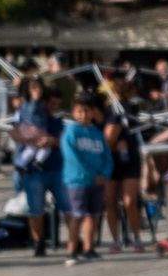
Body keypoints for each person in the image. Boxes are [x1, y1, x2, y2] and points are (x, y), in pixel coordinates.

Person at [13, 79, 68, 259]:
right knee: (35, 209)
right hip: (34, 171)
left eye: (56, 102)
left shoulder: (58, 120)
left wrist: (52, 141)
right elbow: (14, 131)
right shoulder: (27, 111)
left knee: (66, 206)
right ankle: (38, 243)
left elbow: (64, 141)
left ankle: (74, 239)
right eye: (50, 101)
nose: (53, 105)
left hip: (56, 168)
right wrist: (24, 136)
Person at [59, 91, 112, 265]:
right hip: (77, 181)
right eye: (79, 111)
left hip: (97, 181)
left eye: (87, 110)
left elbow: (107, 156)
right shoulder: (70, 132)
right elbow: (72, 157)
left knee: (94, 215)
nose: (83, 114)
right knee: (78, 215)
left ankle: (90, 248)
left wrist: (104, 173)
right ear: (74, 113)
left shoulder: (97, 133)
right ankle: (72, 250)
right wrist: (90, 174)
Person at [101, 70, 146, 252]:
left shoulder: (129, 107)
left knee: (129, 201)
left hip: (129, 159)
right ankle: (116, 240)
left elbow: (111, 136)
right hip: (111, 160)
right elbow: (107, 137)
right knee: (110, 201)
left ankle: (136, 237)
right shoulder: (105, 109)